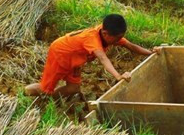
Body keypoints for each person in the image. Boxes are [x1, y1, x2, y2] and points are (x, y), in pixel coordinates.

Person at [25, 14, 156, 97]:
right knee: (45, 89)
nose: (119, 41)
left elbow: (131, 46)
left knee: (73, 88)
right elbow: (103, 58)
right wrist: (118, 76)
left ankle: (49, 98)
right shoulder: (92, 39)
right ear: (105, 33)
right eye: (117, 38)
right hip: (61, 55)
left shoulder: (108, 34)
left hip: (76, 59)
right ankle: (25, 93)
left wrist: (151, 52)